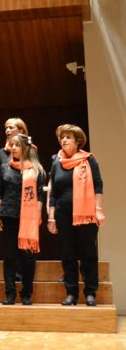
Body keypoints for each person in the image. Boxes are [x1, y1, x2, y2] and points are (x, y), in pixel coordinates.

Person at [47, 124, 105, 306]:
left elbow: (98, 185)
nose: (64, 140)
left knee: (88, 254)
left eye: (68, 137)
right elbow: (53, 192)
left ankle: (90, 293)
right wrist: (51, 217)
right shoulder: (57, 162)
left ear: (77, 141)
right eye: (62, 137)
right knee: (68, 255)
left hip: (86, 214)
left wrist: (98, 209)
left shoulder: (88, 160)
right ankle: (71, 293)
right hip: (63, 214)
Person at [0, 133, 45, 305]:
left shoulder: (36, 170)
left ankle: (26, 293)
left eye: (16, 145)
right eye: (11, 145)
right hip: (8, 215)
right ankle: (10, 294)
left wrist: (37, 215)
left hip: (28, 218)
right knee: (9, 256)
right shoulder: (4, 168)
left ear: (26, 148)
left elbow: (39, 197)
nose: (12, 148)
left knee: (28, 257)